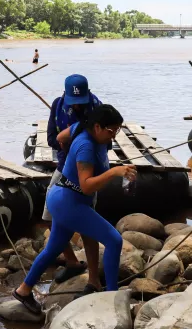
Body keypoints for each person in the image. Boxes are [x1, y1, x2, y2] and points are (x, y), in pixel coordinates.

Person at [14, 105, 135, 314]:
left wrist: (70, 157)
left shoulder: (82, 127)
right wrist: (114, 171)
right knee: (114, 240)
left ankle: (23, 290)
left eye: (117, 131)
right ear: (97, 126)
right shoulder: (86, 147)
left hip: (64, 197)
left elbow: (62, 136)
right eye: (111, 131)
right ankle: (112, 298)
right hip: (70, 202)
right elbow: (87, 184)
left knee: (53, 249)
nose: (113, 136)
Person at [44, 74, 104, 293]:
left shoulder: (98, 109)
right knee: (50, 216)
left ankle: (94, 279)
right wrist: (68, 138)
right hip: (64, 168)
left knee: (88, 226)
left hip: (88, 171)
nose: (77, 107)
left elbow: (106, 142)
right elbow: (51, 138)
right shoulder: (58, 106)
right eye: (74, 104)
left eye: (81, 104)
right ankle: (71, 262)